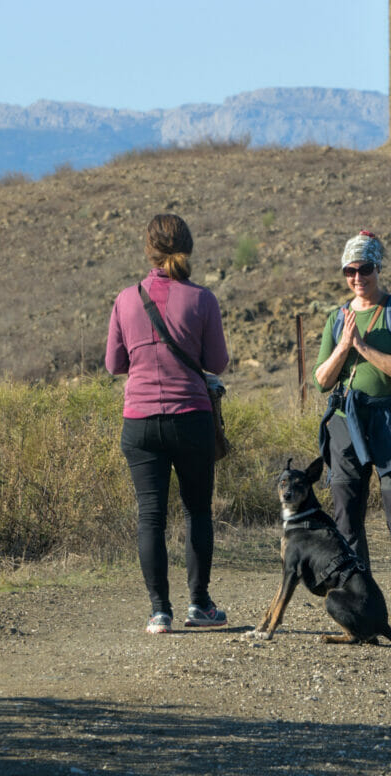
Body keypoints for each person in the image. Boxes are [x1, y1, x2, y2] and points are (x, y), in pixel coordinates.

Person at [105, 213, 229, 634]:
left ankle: (160, 612)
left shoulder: (126, 299)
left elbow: (113, 364)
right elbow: (217, 363)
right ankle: (200, 604)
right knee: (197, 512)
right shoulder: (202, 299)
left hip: (139, 422)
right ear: (187, 248)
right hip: (191, 418)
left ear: (149, 250)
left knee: (150, 517)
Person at [313, 230, 391, 622]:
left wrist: (362, 346)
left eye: (364, 268)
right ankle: (356, 596)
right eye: (350, 270)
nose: (357, 277)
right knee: (346, 513)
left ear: (378, 268)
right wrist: (343, 346)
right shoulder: (336, 318)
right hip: (347, 423)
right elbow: (321, 379)